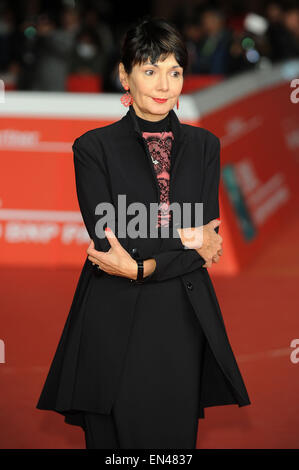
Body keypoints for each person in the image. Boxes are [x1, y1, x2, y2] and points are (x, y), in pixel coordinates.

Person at [36, 16, 251, 449]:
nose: (164, 84)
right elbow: (111, 240)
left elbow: (201, 243)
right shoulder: (92, 148)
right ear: (124, 75)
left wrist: (148, 262)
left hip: (181, 316)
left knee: (173, 444)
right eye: (150, 70)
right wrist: (188, 238)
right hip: (112, 316)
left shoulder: (205, 146)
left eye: (174, 71)